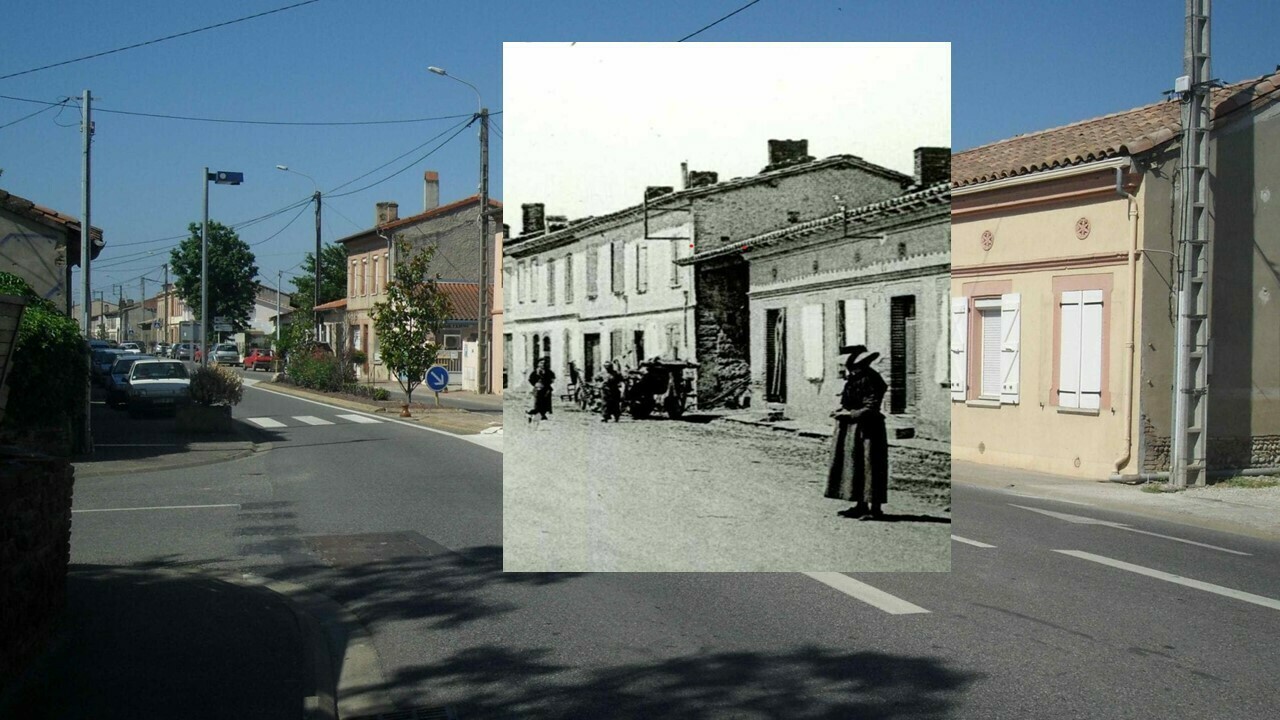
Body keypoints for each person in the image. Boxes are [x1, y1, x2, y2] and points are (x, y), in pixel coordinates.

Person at [826, 345, 890, 520]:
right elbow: (849, 400)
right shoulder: (855, 379)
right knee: (855, 465)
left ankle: (875, 509)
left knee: (871, 466)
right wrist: (841, 409)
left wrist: (849, 414)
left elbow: (871, 407)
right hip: (852, 428)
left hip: (869, 429)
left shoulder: (871, 379)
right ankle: (860, 504)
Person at [527, 357, 556, 423]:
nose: (542, 364)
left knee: (546, 405)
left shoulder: (548, 371)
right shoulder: (535, 372)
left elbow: (553, 377)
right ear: (538, 364)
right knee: (539, 405)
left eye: (544, 363)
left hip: (547, 390)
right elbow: (531, 379)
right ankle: (535, 417)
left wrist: (549, 382)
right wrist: (535, 384)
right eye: (541, 363)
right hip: (538, 390)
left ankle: (533, 416)